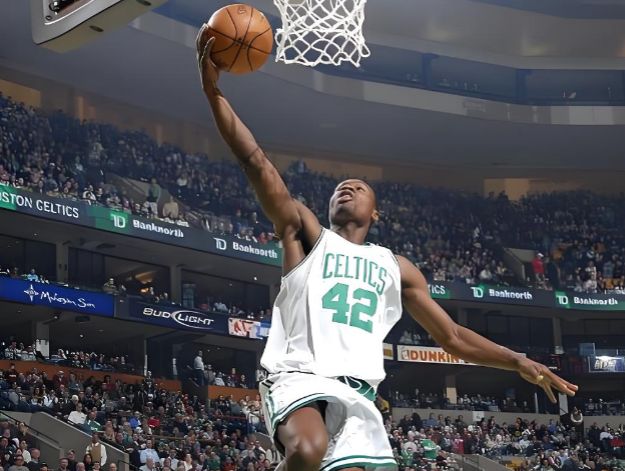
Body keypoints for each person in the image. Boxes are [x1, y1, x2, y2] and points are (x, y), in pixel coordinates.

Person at [197, 33, 579, 471]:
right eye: (341, 187)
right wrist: (213, 93)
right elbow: (256, 162)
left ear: (375, 213)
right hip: (298, 375)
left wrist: (516, 360)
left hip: (359, 392)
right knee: (307, 449)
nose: (347, 187)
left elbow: (452, 337)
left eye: (359, 187)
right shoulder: (305, 236)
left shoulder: (396, 267)